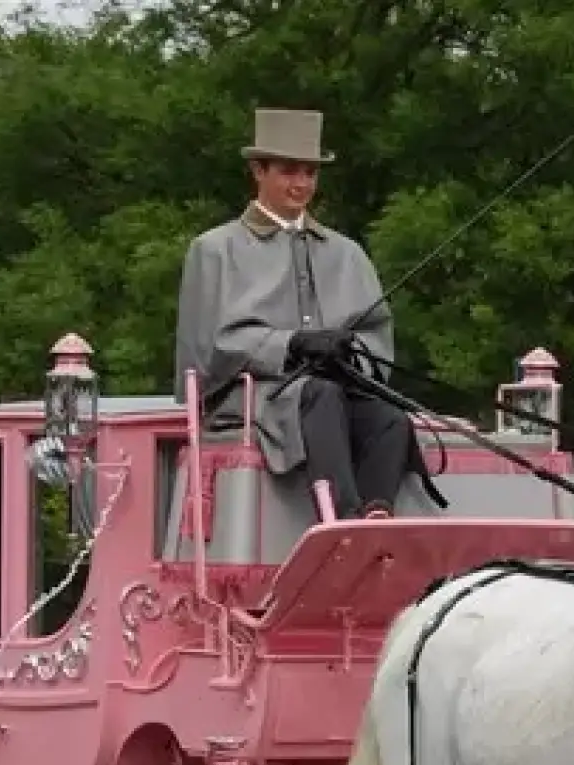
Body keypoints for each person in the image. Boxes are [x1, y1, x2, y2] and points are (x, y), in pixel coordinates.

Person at [174, 106, 421, 519]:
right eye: (289, 171)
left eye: (310, 172)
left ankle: (378, 513)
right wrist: (290, 344)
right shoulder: (216, 250)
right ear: (258, 170)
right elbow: (208, 349)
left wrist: (350, 352)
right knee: (318, 395)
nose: (302, 183)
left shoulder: (348, 254)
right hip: (254, 397)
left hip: (336, 392)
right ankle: (341, 516)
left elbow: (378, 339)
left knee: (390, 417)